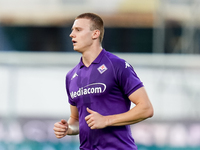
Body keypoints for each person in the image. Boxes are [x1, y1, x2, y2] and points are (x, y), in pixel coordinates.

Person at [53, 12, 153, 150]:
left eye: (78, 30)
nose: (71, 34)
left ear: (95, 34)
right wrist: (68, 128)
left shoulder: (116, 65)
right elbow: (76, 119)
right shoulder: (71, 76)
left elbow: (146, 109)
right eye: (72, 30)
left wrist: (106, 120)